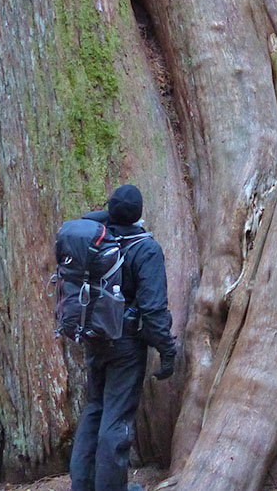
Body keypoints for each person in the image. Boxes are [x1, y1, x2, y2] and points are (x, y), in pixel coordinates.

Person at [70, 184, 178, 491]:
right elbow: (154, 311)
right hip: (126, 345)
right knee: (116, 420)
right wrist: (167, 351)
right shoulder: (146, 248)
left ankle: (83, 485)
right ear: (139, 214)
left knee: (95, 409)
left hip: (94, 336)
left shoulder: (96, 237)